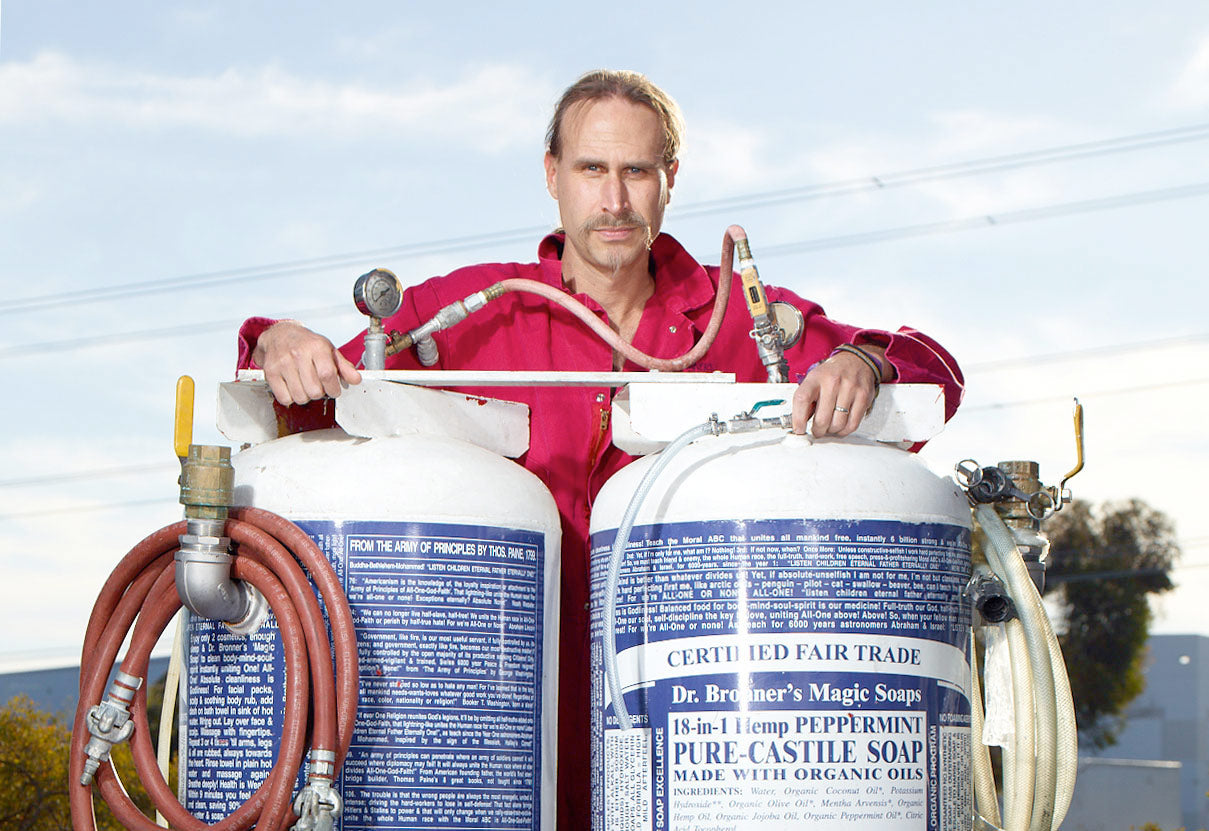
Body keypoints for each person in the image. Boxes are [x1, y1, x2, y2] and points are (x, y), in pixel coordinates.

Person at [237, 69, 964, 828]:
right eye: (591, 169)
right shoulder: (471, 315)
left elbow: (932, 376)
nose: (613, 201)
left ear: (669, 180)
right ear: (552, 175)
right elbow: (309, 398)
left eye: (636, 172)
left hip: (679, 739)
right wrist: (277, 343)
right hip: (503, 736)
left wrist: (868, 362)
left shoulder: (743, 326)